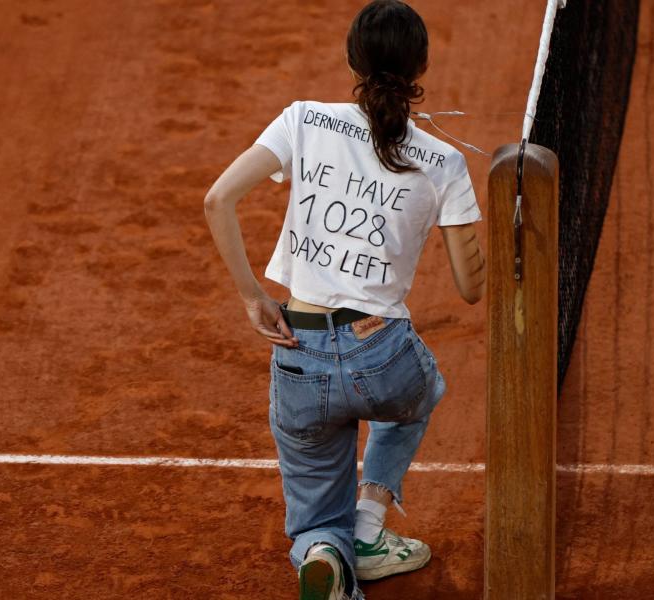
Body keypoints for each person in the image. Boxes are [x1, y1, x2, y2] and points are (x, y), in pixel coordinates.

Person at [203, 1, 485, 598]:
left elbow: (217, 200)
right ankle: (369, 528)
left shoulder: (303, 119)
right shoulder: (446, 162)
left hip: (296, 354)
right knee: (424, 388)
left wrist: (253, 296)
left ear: (350, 59)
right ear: (421, 66)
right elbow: (471, 288)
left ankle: (326, 551)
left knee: (311, 520)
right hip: (384, 360)